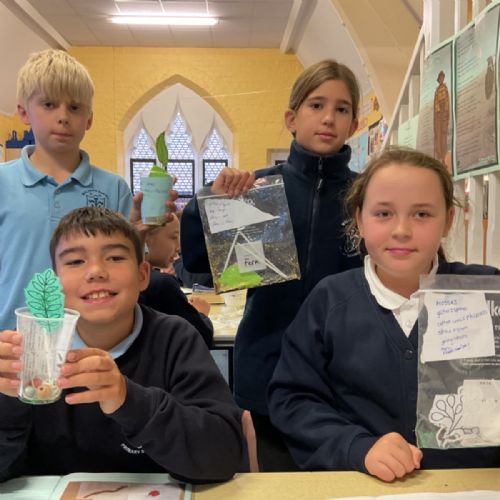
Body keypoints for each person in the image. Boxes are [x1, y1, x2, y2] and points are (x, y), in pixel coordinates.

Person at [268, 147, 500, 482]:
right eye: (383, 213)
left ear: (448, 220)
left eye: (422, 214)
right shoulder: (330, 301)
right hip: (362, 484)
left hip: (477, 485)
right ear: (360, 220)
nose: (402, 230)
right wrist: (356, 446)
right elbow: (292, 399)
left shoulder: (487, 293)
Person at [181, 59, 362, 470]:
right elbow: (200, 264)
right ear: (291, 118)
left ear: (353, 124)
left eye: (341, 108)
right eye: (316, 105)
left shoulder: (366, 196)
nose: (328, 118)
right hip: (265, 369)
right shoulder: (257, 190)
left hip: (344, 375)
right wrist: (210, 203)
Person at [0, 207, 243, 483]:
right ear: (54, 283)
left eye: (115, 257)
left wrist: (128, 400)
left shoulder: (175, 339)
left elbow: (221, 457)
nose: (95, 272)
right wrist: (7, 402)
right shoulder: (28, 352)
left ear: (143, 275)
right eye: (75, 261)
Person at [0, 48, 176, 331]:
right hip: (13, 341)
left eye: (74, 108)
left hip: (96, 341)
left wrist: (138, 234)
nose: (63, 117)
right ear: (23, 112)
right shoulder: (3, 183)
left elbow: (128, 270)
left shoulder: (113, 188)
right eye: (49, 104)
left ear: (89, 119)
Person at [140, 214, 214, 347]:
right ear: (146, 237)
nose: (179, 247)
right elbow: (202, 335)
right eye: (173, 237)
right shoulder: (161, 284)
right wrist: (201, 313)